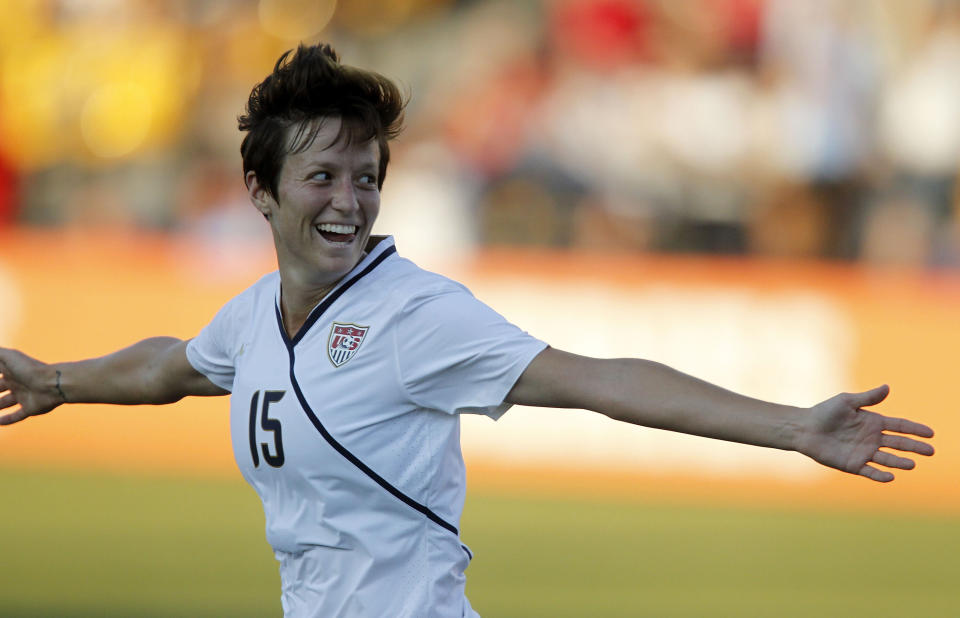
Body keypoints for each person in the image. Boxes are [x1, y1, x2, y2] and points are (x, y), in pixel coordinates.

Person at [0, 43, 935, 618]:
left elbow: (597, 379)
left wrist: (791, 428)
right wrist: (58, 383)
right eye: (324, 175)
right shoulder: (252, 318)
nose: (352, 199)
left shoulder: (416, 315)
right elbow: (175, 366)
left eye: (367, 174)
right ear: (261, 190)